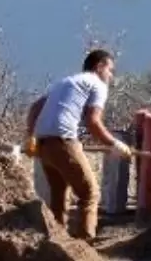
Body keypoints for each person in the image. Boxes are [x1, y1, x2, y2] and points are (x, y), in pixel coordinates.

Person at [24, 49, 134, 241]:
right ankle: (85, 245)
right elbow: (93, 122)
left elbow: (35, 108)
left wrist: (31, 137)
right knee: (89, 193)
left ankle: (55, 241)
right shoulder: (97, 84)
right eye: (110, 70)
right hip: (63, 141)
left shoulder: (66, 82)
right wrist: (114, 143)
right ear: (99, 67)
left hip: (44, 145)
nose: (111, 76)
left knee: (59, 195)